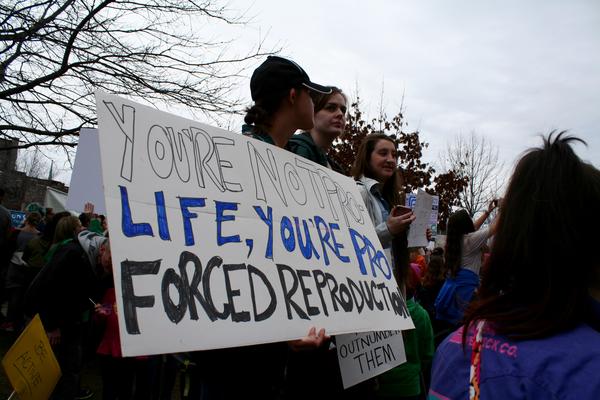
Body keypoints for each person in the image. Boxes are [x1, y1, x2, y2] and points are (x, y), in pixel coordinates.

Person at [193, 55, 331, 400]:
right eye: (311, 94)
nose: (316, 103)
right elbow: (229, 261)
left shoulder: (288, 168)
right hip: (233, 355)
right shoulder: (239, 161)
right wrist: (281, 329)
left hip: (265, 352)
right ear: (292, 96)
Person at [429, 133, 600, 399]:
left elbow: (480, 230)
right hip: (466, 286)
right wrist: (500, 208)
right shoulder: (587, 369)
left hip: (454, 296)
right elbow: (493, 228)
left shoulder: (452, 350)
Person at [25, 215, 100, 400]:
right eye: (80, 225)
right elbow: (54, 290)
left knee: (66, 362)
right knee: (64, 364)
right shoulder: (71, 252)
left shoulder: (64, 249)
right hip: (62, 321)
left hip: (67, 318)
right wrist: (52, 325)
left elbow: (73, 289)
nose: (83, 228)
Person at [434, 201, 497, 327]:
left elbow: (473, 228)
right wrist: (504, 206)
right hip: (464, 296)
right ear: (466, 225)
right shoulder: (470, 241)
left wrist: (487, 212)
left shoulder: (454, 242)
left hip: (449, 294)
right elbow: (495, 226)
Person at [288, 86, 347, 174]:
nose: (340, 114)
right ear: (312, 111)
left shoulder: (335, 168)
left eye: (343, 110)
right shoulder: (297, 149)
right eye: (330, 108)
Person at [3, 211, 41, 332]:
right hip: (28, 267)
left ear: (27, 219)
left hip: (15, 265)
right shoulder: (39, 236)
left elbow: (8, 249)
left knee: (13, 294)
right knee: (23, 295)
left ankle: (9, 321)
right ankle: (18, 322)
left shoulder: (17, 232)